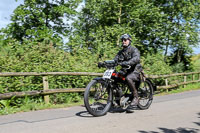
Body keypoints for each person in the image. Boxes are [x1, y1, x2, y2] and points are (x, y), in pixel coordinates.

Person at [114, 34, 142, 107]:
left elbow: (136, 58)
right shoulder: (121, 52)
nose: (123, 41)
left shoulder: (134, 49)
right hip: (126, 71)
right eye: (122, 40)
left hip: (135, 70)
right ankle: (119, 97)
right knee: (114, 78)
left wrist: (128, 62)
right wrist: (105, 63)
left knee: (128, 78)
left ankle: (136, 97)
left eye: (125, 40)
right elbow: (115, 60)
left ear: (129, 41)